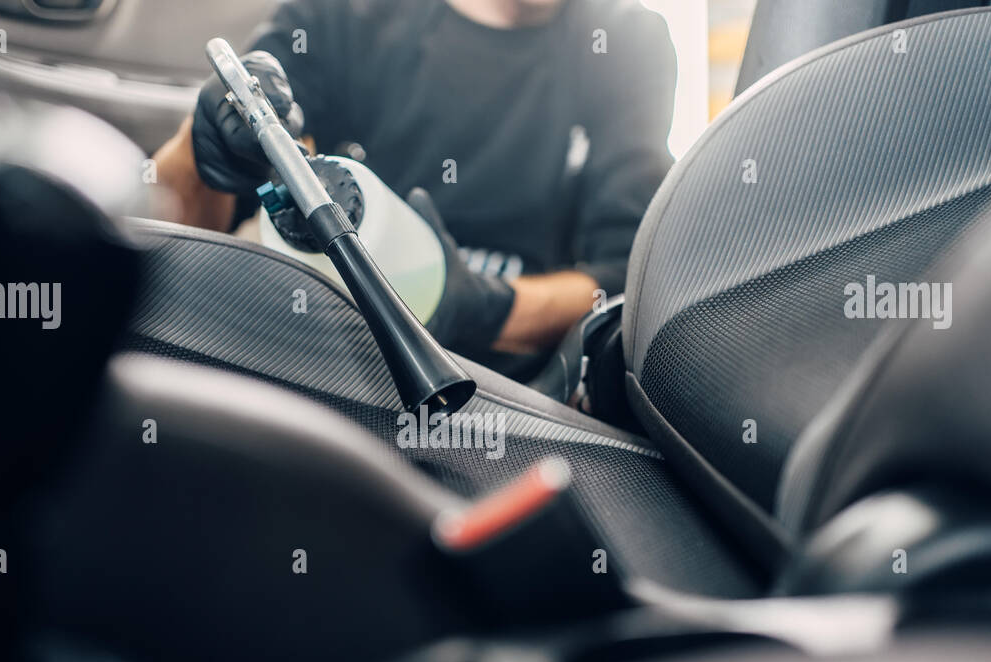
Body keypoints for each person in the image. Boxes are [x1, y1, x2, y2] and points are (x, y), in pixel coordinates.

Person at [154, 0, 675, 379]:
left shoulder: (626, 44)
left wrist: (485, 310)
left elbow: (628, 285)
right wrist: (203, 149)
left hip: (513, 392)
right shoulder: (344, 17)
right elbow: (172, 226)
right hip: (337, 354)